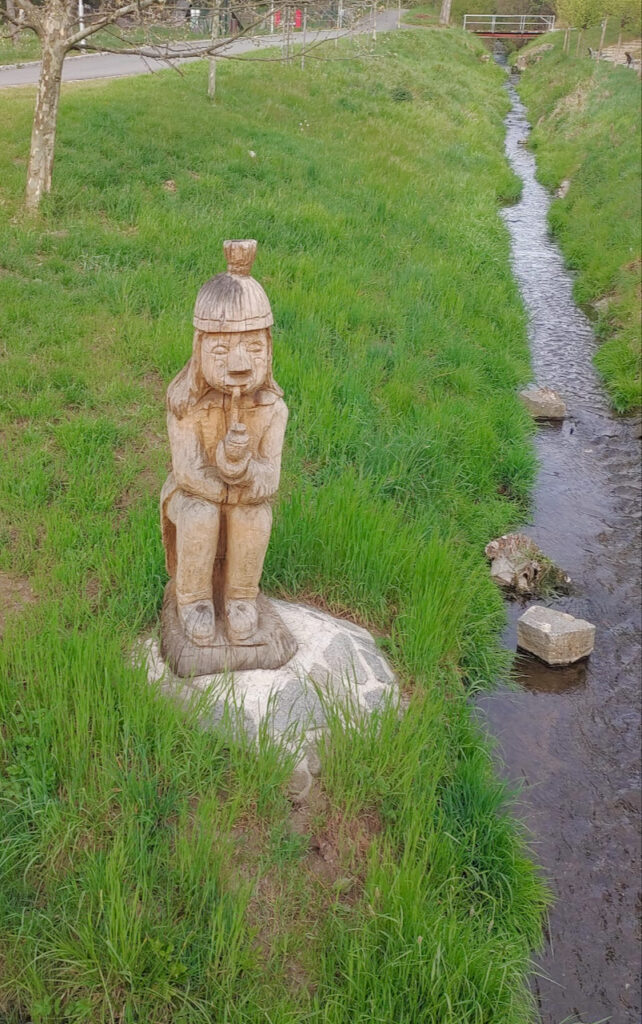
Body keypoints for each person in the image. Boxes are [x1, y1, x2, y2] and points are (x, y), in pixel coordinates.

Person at [160, 240, 288, 647]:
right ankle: (194, 599)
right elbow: (187, 472)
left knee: (255, 516)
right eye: (221, 349)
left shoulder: (271, 409)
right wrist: (226, 474)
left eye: (253, 348)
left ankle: (241, 598)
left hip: (242, 494)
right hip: (194, 494)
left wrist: (242, 468)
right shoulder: (186, 406)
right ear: (199, 352)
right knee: (200, 515)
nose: (239, 364)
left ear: (269, 350)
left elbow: (270, 478)